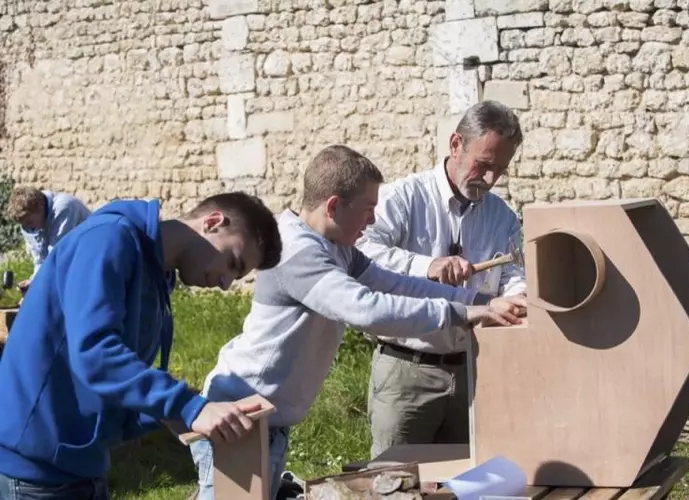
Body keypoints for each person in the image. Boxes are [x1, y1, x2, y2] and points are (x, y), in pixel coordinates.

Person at [189, 145, 522, 500]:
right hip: (235, 419)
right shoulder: (296, 251)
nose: (373, 221)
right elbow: (366, 309)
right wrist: (462, 314)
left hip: (265, 420)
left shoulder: (338, 248)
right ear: (333, 206)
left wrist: (482, 301)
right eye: (367, 210)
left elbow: (398, 284)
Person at [0, 191, 283, 500]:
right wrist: (185, 405)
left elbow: (113, 378)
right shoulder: (108, 238)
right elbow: (95, 353)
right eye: (232, 263)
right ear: (213, 223)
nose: (226, 283)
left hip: (82, 468)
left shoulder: (155, 275)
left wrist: (173, 415)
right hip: (34, 474)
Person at [355, 100, 528, 458]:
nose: (491, 180)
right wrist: (426, 266)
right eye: (483, 165)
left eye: (500, 170)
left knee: (465, 484)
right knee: (395, 484)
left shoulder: (503, 217)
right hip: (406, 371)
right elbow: (360, 252)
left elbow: (514, 274)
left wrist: (519, 298)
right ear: (455, 145)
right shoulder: (404, 197)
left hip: (474, 373)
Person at [5, 186, 91, 294]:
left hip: (90, 265)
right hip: (69, 267)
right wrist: (33, 282)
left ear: (40, 207)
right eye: (24, 225)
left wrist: (38, 285)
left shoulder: (64, 208)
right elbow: (40, 259)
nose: (29, 228)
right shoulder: (28, 223)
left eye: (30, 222)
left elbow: (56, 256)